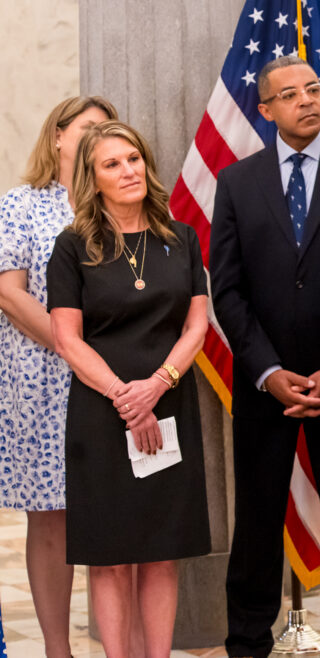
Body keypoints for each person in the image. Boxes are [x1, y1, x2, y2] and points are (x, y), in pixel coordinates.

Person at [210, 55, 320, 658]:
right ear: (265, 110)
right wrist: (266, 371)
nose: (307, 100)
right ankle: (247, 641)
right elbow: (226, 289)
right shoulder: (237, 182)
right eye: (290, 94)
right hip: (265, 383)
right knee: (257, 517)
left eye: (314, 89)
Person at [47, 119, 211, 657]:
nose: (128, 171)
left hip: (170, 404)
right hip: (102, 412)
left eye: (134, 158)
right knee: (111, 556)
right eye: (112, 164)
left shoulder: (181, 238)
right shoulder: (73, 246)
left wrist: (156, 386)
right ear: (92, 179)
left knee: (162, 552)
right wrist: (127, 397)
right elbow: (67, 339)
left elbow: (196, 327)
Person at [0, 95, 116, 657]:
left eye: (107, 129)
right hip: (41, 378)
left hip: (114, 376)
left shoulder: (117, 203)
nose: (98, 137)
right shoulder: (22, 204)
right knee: (50, 517)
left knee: (111, 513)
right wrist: (72, 348)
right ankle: (56, 649)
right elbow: (9, 292)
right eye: (88, 127)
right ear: (58, 137)